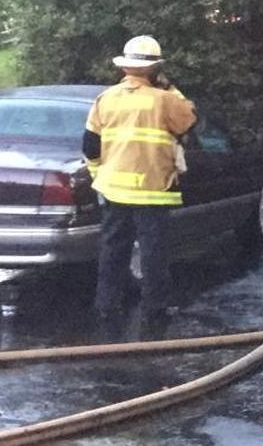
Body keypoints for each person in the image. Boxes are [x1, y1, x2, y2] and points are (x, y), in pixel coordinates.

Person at [83, 35, 197, 326]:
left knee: (112, 251)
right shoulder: (165, 100)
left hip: (113, 190)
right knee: (153, 253)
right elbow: (190, 119)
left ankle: (107, 305)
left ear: (124, 68)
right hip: (152, 190)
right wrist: (169, 86)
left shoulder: (105, 99)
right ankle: (155, 308)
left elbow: (90, 147)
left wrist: (99, 176)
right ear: (155, 69)